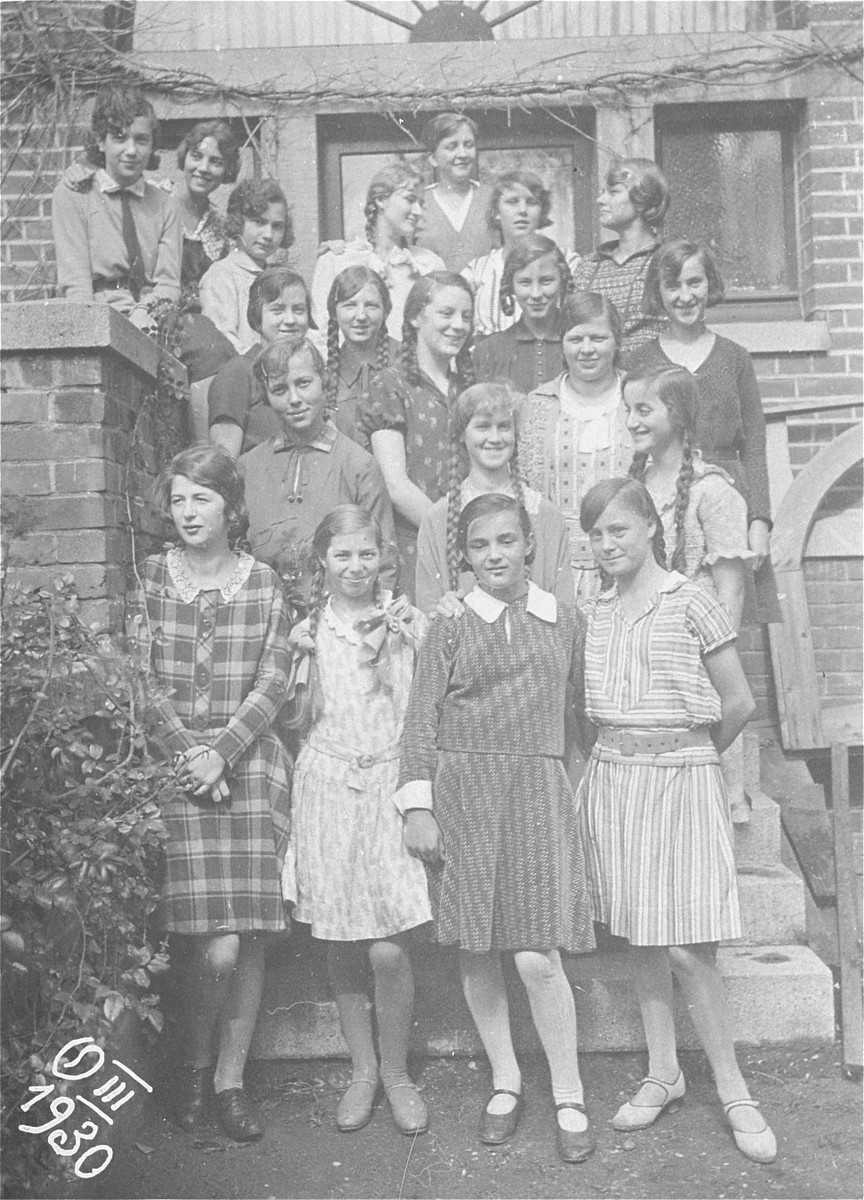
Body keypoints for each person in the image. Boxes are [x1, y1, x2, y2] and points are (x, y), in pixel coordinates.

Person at [577, 477, 776, 1166]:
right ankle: (665, 1072)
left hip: (683, 781)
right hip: (613, 780)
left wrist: (690, 758)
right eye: (596, 534)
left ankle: (734, 1088)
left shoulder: (691, 600)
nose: (607, 545)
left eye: (619, 531)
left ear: (652, 527)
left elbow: (740, 701)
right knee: (640, 935)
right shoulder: (593, 608)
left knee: (690, 945)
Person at [399, 494, 596, 1164]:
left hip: (538, 790)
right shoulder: (449, 625)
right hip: (466, 794)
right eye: (481, 547)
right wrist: (418, 805)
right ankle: (506, 1079)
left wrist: (577, 789)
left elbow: (579, 716)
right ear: (465, 557)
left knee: (538, 954)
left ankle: (568, 1092)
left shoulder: (563, 620)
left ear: (528, 546)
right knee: (477, 947)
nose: (495, 557)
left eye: (507, 542)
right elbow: (421, 720)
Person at [130, 444, 292, 1143]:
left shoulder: (265, 585)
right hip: (176, 771)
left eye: (202, 498)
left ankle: (228, 1080)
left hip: (248, 770)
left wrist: (223, 751)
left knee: (244, 938)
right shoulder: (148, 581)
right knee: (206, 945)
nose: (188, 512)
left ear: (230, 507)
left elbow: (275, 679)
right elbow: (139, 675)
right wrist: (190, 753)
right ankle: (193, 1067)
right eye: (179, 500)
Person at [282, 506, 431, 1136]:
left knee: (390, 946)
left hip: (389, 785)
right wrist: (296, 666)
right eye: (341, 555)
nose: (355, 567)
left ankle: (397, 1071)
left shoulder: (406, 622)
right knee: (342, 940)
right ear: (323, 562)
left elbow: (426, 705)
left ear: (383, 558)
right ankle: (364, 1069)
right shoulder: (308, 631)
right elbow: (295, 721)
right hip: (328, 784)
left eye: (366, 554)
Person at [625, 367, 755, 823]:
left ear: (677, 415)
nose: (632, 422)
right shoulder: (634, 487)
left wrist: (713, 664)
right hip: (645, 652)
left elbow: (731, 591)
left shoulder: (713, 491)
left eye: (644, 410)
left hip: (696, 655)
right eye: (628, 411)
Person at [627, 237, 779, 621]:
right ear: (657, 293)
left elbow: (755, 446)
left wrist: (759, 522)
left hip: (729, 507)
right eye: (673, 285)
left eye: (695, 283)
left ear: (709, 284)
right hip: (666, 502)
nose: (685, 295)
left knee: (728, 617)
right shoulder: (641, 361)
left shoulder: (734, 358)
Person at [241, 337, 397, 609]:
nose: (295, 400)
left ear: (324, 382)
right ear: (266, 396)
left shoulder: (358, 465)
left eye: (303, 383)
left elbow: (383, 562)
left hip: (337, 622)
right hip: (262, 614)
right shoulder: (247, 467)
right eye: (279, 389)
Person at [358, 271, 475, 600]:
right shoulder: (390, 385)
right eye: (446, 313)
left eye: (466, 316)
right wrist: (455, 537)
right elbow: (395, 485)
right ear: (414, 318)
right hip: (416, 547)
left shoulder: (468, 387)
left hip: (469, 553)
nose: (458, 325)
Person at [415, 381, 572, 612]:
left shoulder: (544, 513)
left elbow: (564, 607)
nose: (495, 437)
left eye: (504, 427)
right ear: (461, 435)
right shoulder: (438, 518)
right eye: (483, 427)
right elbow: (428, 608)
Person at [520, 291, 631, 602]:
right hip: (555, 571)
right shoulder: (539, 404)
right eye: (575, 338)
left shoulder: (637, 399)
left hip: (626, 569)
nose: (586, 349)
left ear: (617, 341)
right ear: (562, 342)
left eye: (598, 338)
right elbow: (528, 492)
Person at [52, 83, 180, 329]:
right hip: (100, 316)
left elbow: (169, 284)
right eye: (119, 138)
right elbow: (76, 284)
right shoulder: (75, 195)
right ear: (101, 141)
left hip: (154, 318)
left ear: (152, 145)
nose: (131, 150)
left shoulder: (165, 205)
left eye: (141, 140)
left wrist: (145, 314)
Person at [311, 162, 445, 339]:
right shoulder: (336, 261)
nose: (418, 211)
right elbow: (321, 334)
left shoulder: (428, 265)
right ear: (381, 200)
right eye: (410, 200)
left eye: (420, 203)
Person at [571, 157, 670, 358]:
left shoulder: (666, 261)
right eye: (603, 193)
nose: (601, 200)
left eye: (613, 192)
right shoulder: (590, 266)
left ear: (644, 200)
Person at [208, 267, 312, 457]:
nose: (290, 320)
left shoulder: (312, 374)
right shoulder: (239, 372)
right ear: (257, 317)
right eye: (277, 310)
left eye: (298, 310)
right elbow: (225, 461)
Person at [463, 170, 573, 338]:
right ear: (496, 212)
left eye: (532, 202)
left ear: (542, 210)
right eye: (512, 202)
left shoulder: (568, 261)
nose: (522, 210)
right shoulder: (477, 270)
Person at [472, 234, 572, 395]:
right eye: (525, 282)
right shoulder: (488, 351)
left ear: (563, 281)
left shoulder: (580, 344)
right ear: (510, 285)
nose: (536, 293)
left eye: (546, 281)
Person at [200, 178, 291, 354]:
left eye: (277, 226)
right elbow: (223, 339)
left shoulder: (277, 276)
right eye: (259, 222)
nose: (268, 235)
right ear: (239, 221)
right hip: (242, 372)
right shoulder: (221, 275)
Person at [323, 266, 399, 444]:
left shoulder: (406, 361)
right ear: (334, 313)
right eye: (349, 305)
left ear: (386, 311)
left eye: (371, 306)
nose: (361, 316)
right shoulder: (327, 376)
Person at [414, 112, 495, 272]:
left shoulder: (492, 198)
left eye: (468, 145)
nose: (463, 154)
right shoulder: (418, 203)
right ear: (433, 158)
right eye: (452, 147)